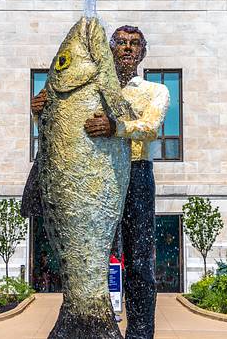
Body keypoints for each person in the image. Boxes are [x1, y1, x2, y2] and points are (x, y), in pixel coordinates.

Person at [31, 25, 169, 339]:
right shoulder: (95, 85)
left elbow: (149, 127)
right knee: (90, 255)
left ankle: (139, 334)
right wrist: (40, 112)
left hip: (136, 174)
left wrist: (115, 127)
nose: (127, 48)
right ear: (109, 49)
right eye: (120, 42)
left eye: (134, 44)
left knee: (139, 263)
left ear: (142, 52)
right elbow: (68, 128)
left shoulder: (154, 91)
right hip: (95, 178)